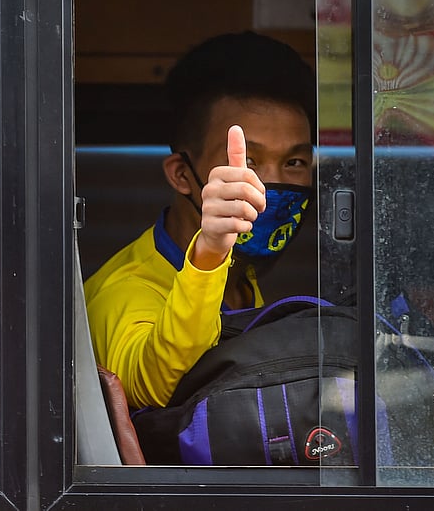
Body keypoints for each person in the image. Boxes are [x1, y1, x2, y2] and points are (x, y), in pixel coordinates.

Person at [84, 31, 315, 410]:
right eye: (248, 162)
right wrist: (208, 255)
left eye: (294, 163)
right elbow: (155, 390)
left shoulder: (243, 272)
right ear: (181, 174)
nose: (266, 185)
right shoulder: (125, 291)